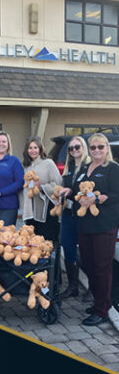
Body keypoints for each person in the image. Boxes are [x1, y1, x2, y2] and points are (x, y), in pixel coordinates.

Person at [61, 133, 119, 326]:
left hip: (104, 226)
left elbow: (116, 195)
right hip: (84, 226)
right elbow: (78, 189)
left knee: (102, 269)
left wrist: (100, 198)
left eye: (100, 147)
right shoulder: (86, 167)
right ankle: (99, 303)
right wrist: (69, 191)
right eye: (93, 147)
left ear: (107, 149)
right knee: (89, 265)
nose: (96, 151)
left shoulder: (112, 168)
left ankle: (102, 311)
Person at [58, 135, 89, 299]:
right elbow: (65, 185)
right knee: (68, 247)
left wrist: (73, 192)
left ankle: (92, 288)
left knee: (85, 251)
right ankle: (72, 286)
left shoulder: (89, 166)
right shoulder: (69, 166)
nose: (74, 150)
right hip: (68, 213)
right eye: (71, 148)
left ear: (83, 148)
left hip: (83, 215)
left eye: (77, 147)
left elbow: (89, 190)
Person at [21, 137, 62, 242]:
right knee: (33, 241)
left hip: (47, 209)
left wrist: (41, 187)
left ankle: (52, 258)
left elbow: (58, 184)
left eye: (35, 147)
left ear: (40, 149)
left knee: (48, 241)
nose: (33, 150)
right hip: (30, 209)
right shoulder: (26, 166)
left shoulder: (48, 163)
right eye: (30, 148)